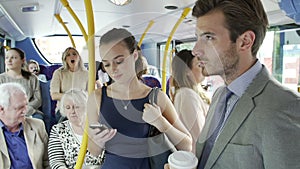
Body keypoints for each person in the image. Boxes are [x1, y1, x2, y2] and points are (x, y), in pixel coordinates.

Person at [164, 0, 300, 169]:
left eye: (208, 37)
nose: (196, 50)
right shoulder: (220, 95)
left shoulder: (283, 106)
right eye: (197, 38)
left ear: (245, 41)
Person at [87, 28, 192, 169]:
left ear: (135, 55)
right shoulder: (96, 98)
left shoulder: (156, 97)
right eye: (106, 64)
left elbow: (187, 145)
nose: (113, 69)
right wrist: (98, 141)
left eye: (119, 61)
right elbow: (93, 152)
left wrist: (160, 122)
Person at [48, 89, 103, 169]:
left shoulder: (99, 127)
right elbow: (56, 161)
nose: (72, 111)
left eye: (76, 107)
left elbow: (111, 156)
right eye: (68, 107)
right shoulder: (58, 130)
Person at [0, 82, 49, 169]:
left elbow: (48, 162)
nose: (25, 111)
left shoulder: (37, 126)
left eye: (26, 105)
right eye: (20, 108)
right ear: (1, 109)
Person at [171, 49, 210, 154]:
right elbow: (200, 136)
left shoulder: (193, 93)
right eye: (199, 66)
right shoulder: (186, 95)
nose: (204, 69)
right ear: (187, 71)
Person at [0, 47, 44, 120]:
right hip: (6, 112)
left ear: (22, 60)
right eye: (7, 58)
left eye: (13, 58)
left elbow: (37, 100)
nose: (9, 60)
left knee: (38, 119)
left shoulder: (32, 78)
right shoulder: (1, 78)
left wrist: (25, 109)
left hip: (29, 111)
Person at [50, 47, 89, 123]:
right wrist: (72, 97)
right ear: (65, 59)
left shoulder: (87, 74)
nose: (72, 56)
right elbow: (54, 95)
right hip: (64, 110)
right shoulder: (59, 73)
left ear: (79, 58)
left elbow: (90, 94)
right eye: (68, 55)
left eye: (74, 54)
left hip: (82, 109)